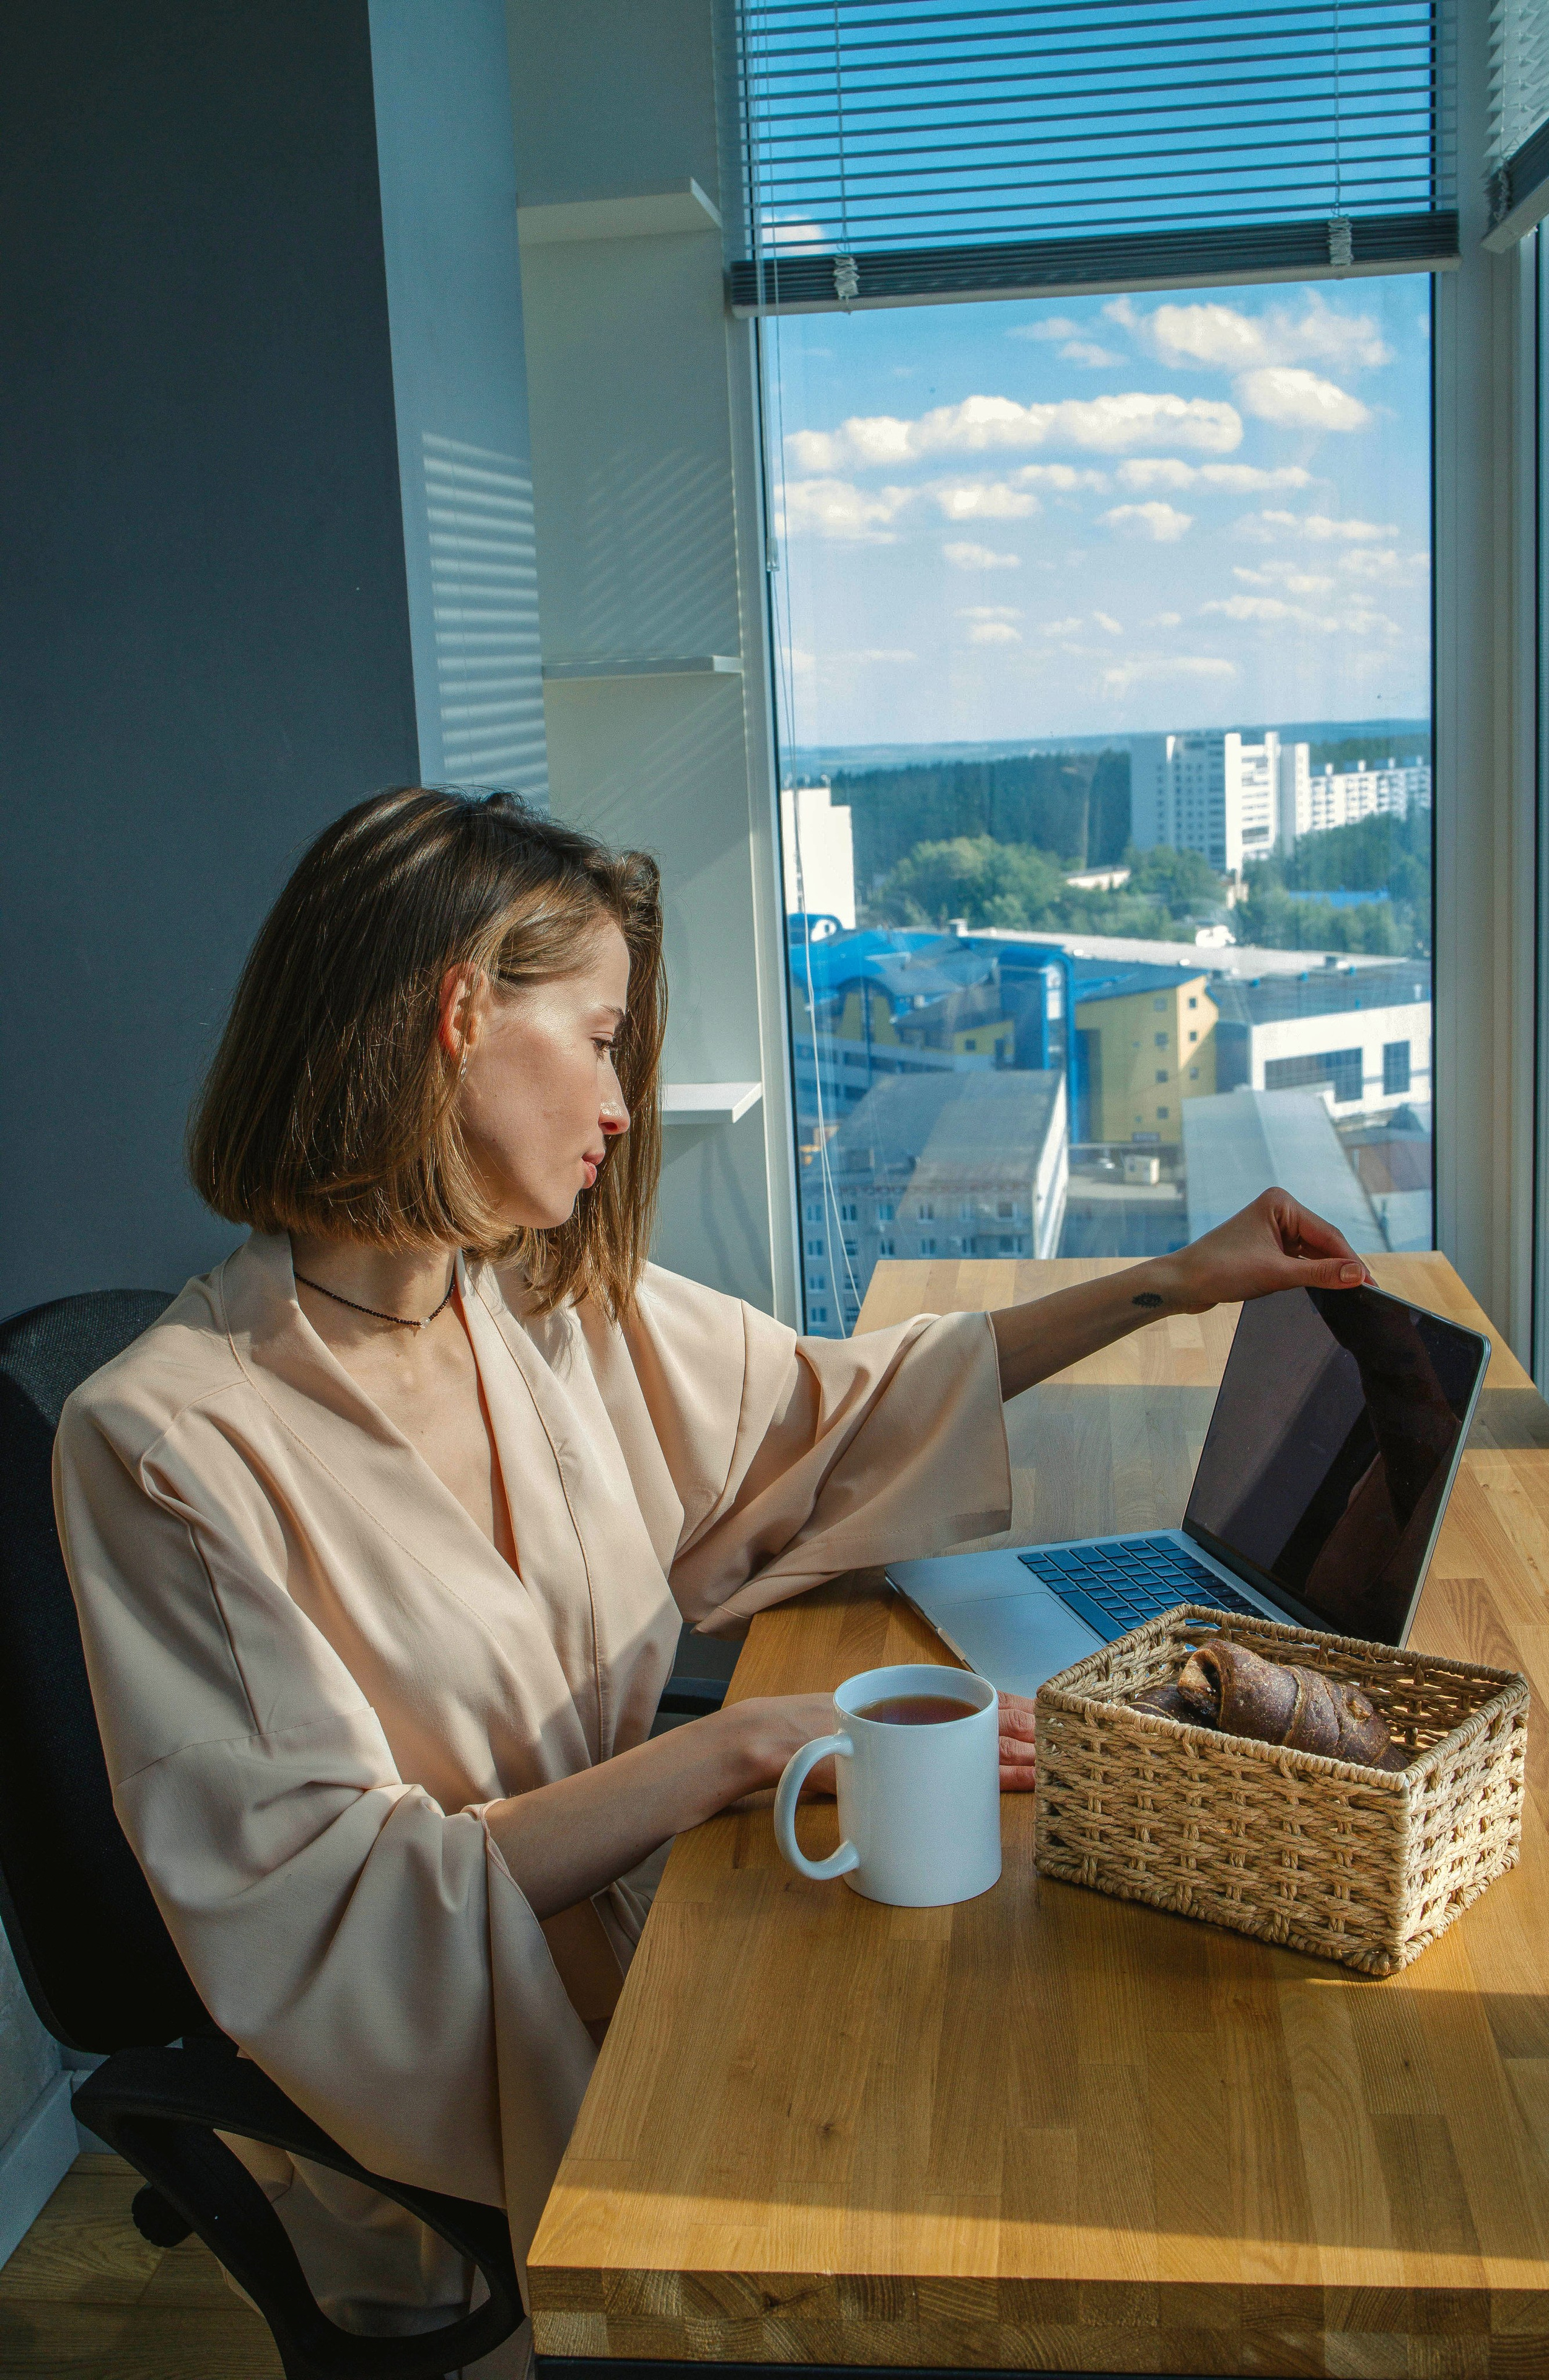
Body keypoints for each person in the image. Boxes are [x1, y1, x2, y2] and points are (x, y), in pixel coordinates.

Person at [53, 788, 1367, 2363]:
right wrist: (740, 1749)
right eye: (600, 1040)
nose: (622, 1107)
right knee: (1006, 2159)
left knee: (1071, 2025)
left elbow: (836, 1406)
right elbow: (338, 1913)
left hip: (660, 1933)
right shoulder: (164, 1441)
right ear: (460, 1015)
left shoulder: (526, 1306)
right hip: (464, 2076)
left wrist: (1168, 1284)